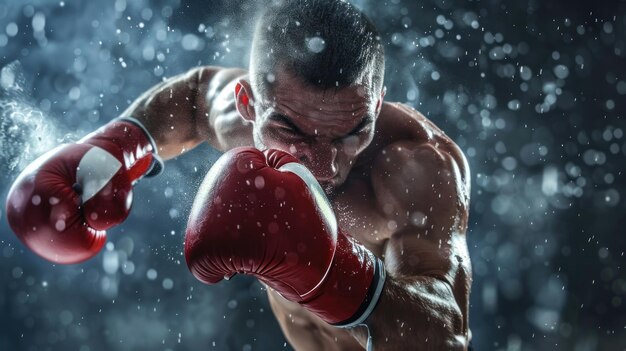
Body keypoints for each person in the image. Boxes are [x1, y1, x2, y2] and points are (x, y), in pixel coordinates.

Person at [5, 0, 472, 349]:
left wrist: (336, 273)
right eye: (292, 132)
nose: (325, 163)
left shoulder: (414, 166)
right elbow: (195, 93)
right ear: (249, 104)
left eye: (352, 133)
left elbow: (447, 335)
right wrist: (115, 145)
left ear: (376, 102)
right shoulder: (236, 118)